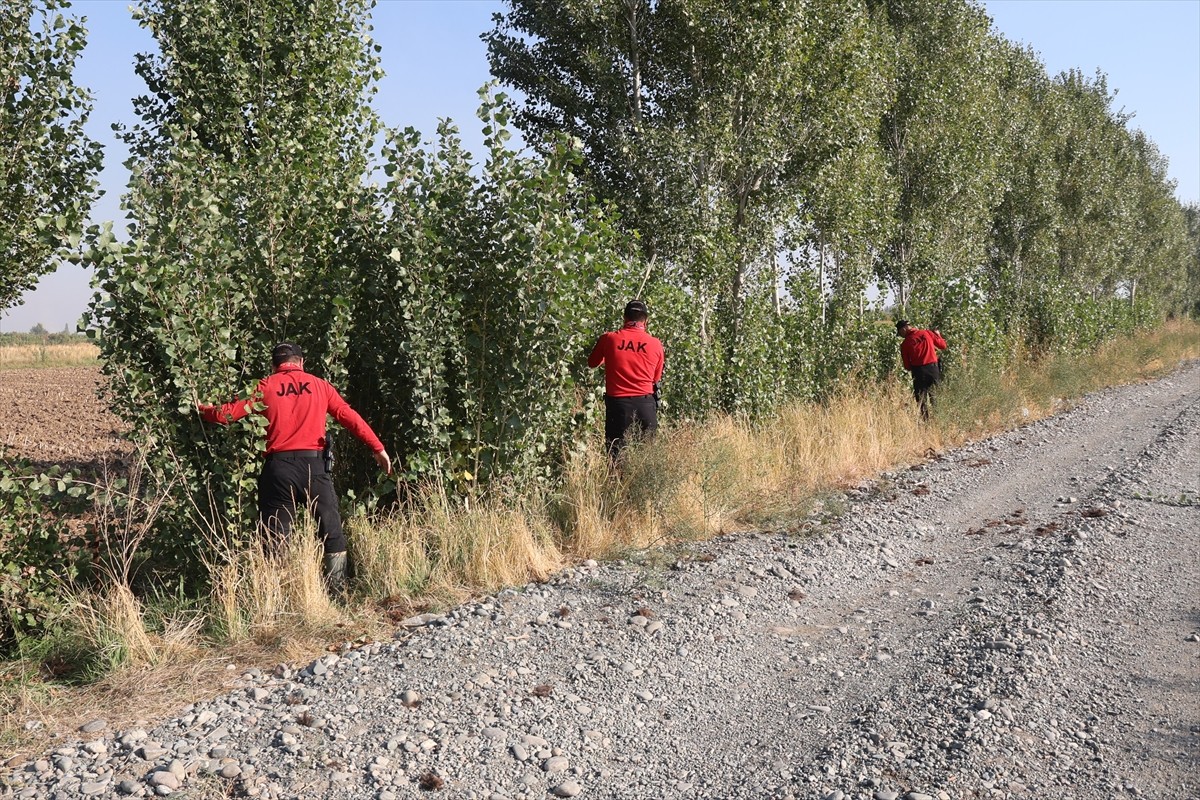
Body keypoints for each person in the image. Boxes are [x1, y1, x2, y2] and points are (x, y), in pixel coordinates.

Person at [197, 342, 392, 594]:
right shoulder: (320, 385)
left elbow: (227, 415)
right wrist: (377, 448)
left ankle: (280, 596)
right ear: (301, 362)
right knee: (331, 528)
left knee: (276, 537)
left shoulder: (264, 386)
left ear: (274, 365)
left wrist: (202, 408)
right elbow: (348, 416)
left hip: (278, 469)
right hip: (314, 467)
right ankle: (337, 590)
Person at [587, 299, 665, 458]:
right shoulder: (655, 344)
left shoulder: (608, 339)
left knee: (616, 456)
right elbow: (655, 378)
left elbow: (592, 363)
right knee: (647, 459)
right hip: (645, 405)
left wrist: (608, 357)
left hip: (619, 407)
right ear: (646, 321)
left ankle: (617, 483)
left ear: (624, 318)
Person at [895, 319, 947, 421]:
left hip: (919, 372)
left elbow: (907, 366)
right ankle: (939, 420)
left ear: (904, 329)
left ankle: (926, 423)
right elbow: (943, 346)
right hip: (933, 370)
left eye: (900, 333)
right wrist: (938, 335)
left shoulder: (905, 344)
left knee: (921, 400)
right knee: (935, 396)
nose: (901, 335)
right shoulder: (927, 333)